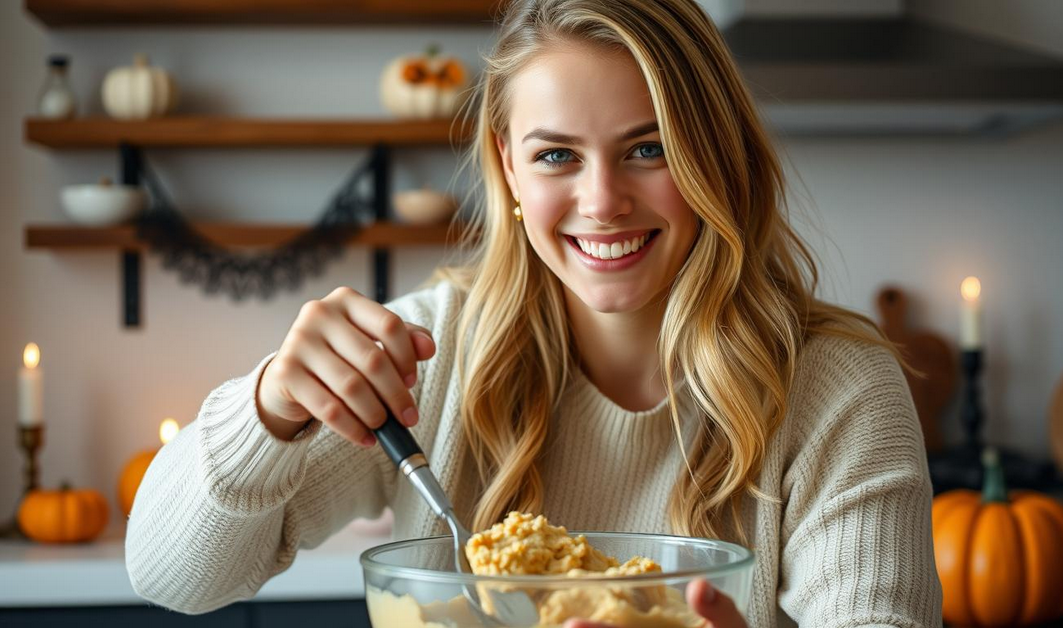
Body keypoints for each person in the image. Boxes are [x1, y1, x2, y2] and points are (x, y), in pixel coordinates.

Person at [125, 1, 942, 626]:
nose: (603, 201)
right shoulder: (431, 355)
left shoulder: (839, 390)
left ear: (715, 156)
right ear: (509, 169)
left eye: (649, 148)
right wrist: (268, 409)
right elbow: (171, 578)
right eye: (556, 155)